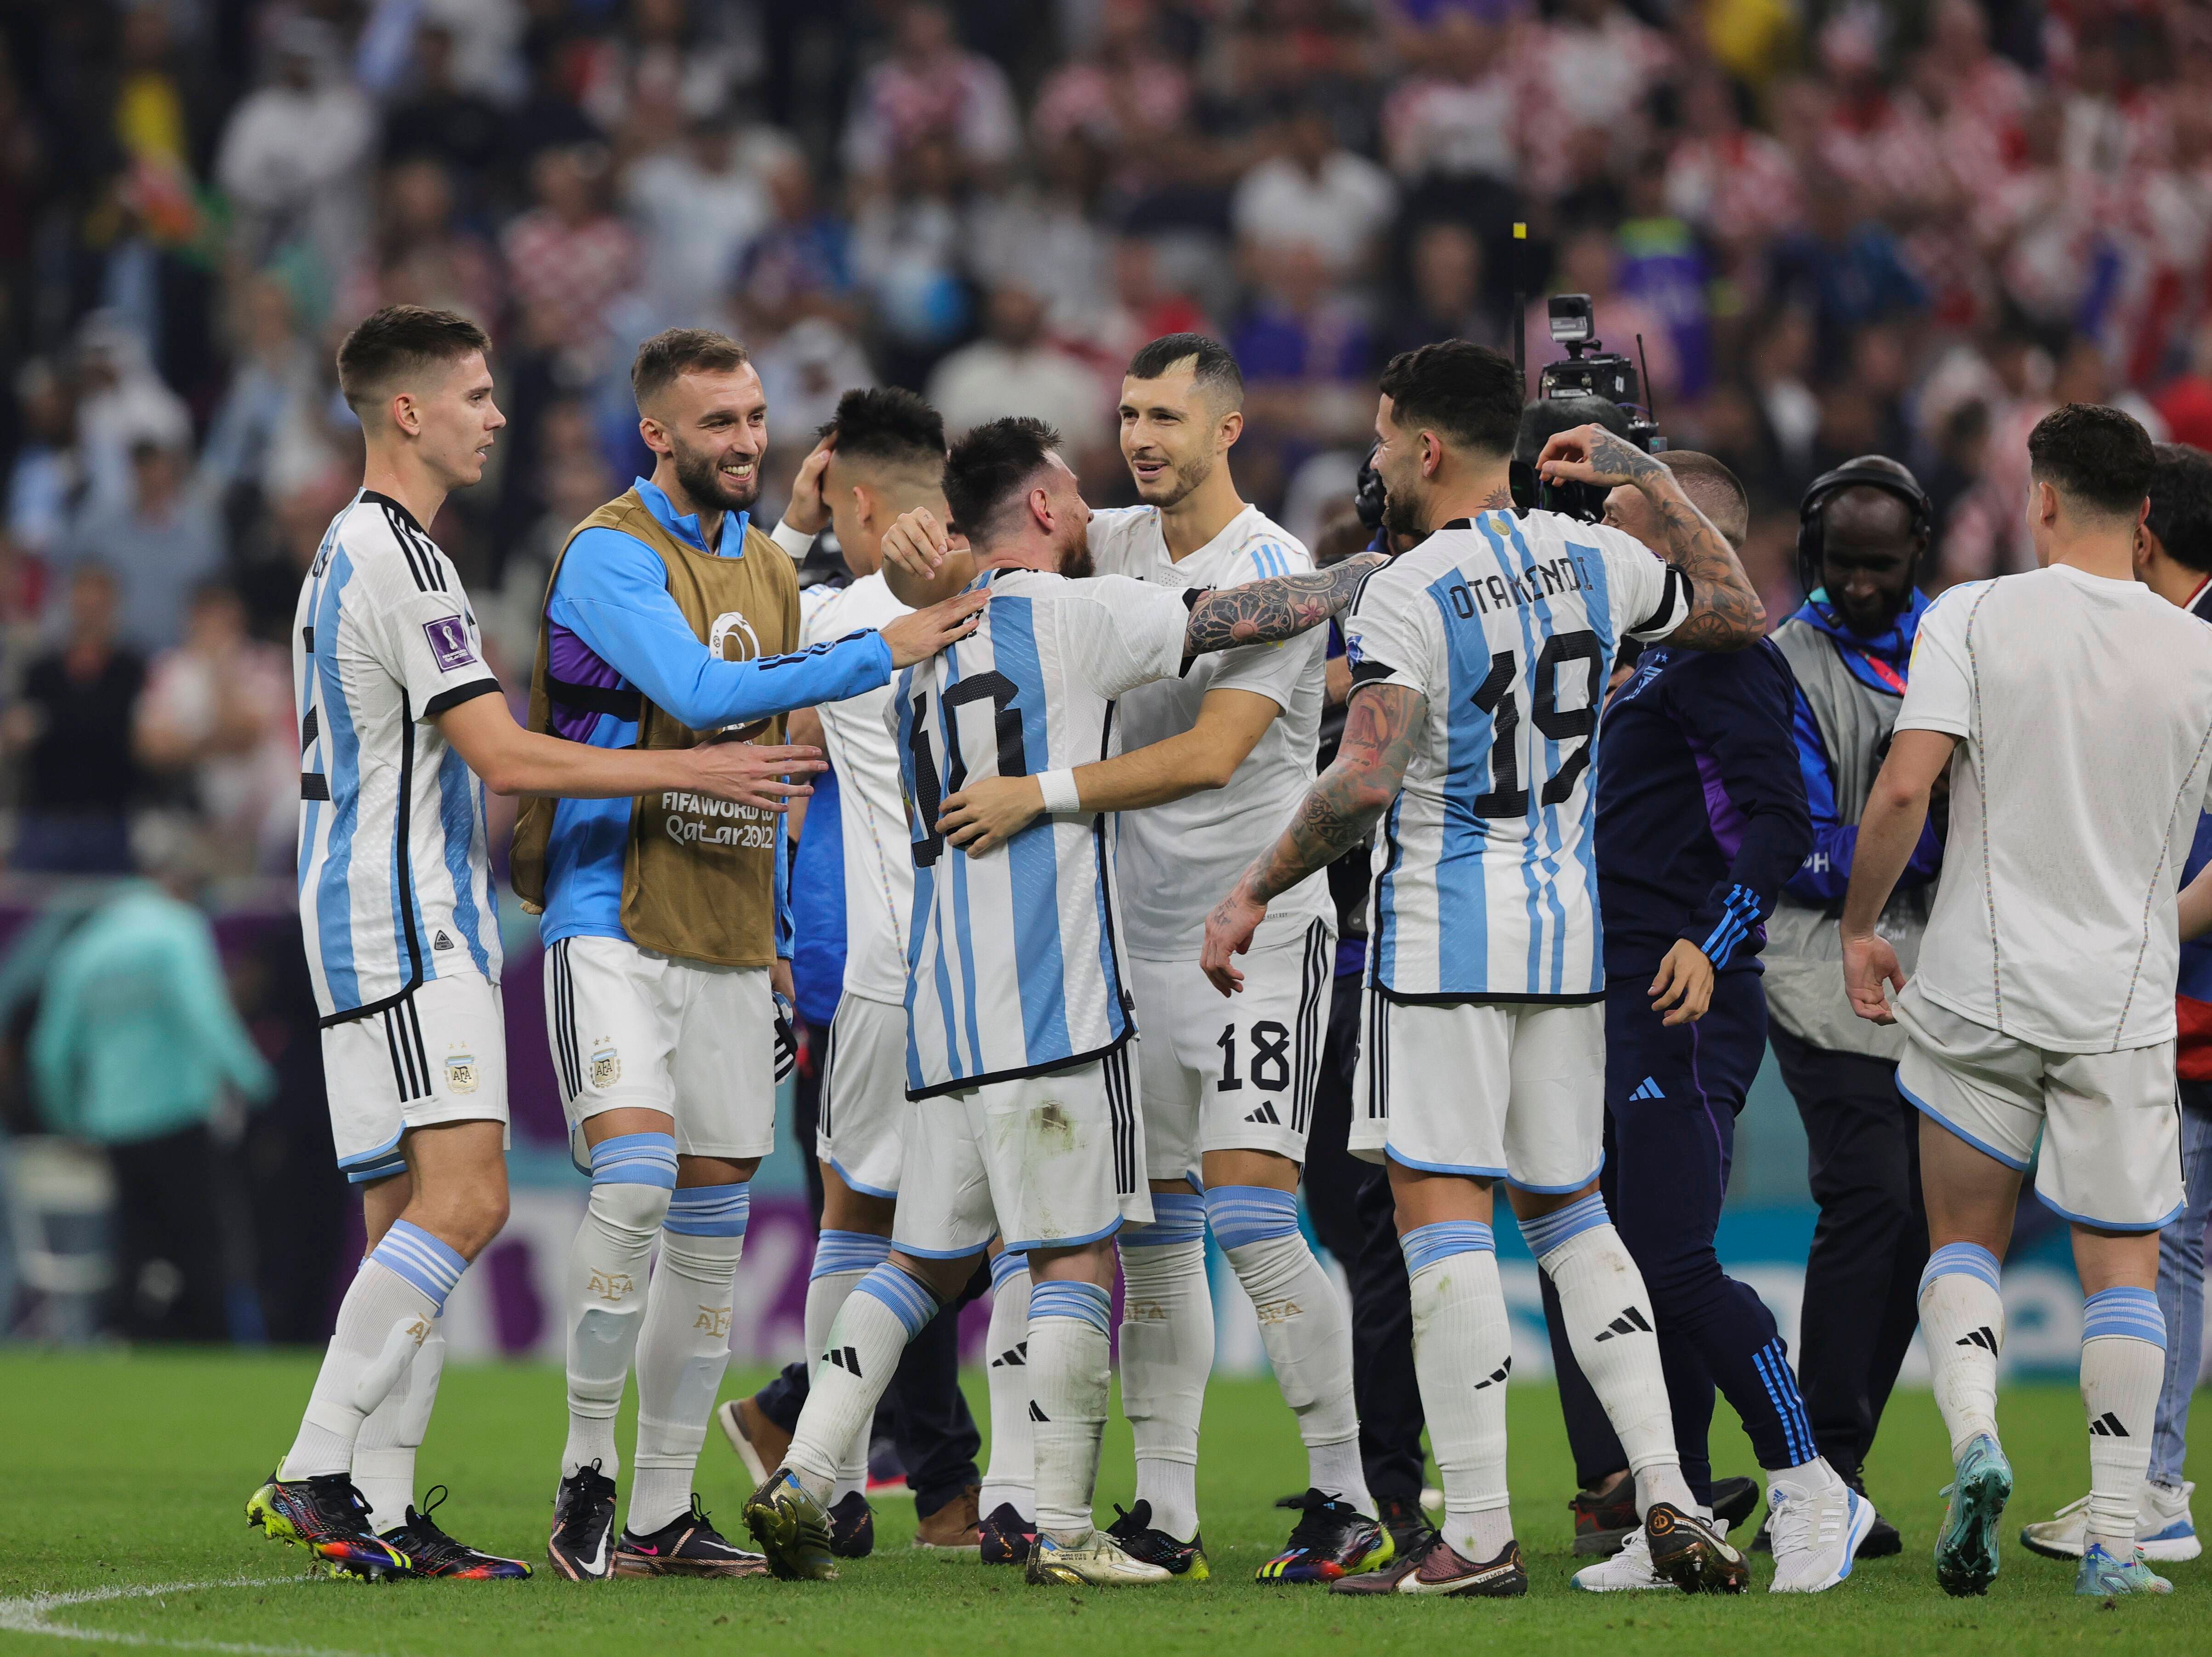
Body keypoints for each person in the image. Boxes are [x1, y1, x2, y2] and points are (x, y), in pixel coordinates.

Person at [740, 414, 1383, 1588]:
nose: (1090, 511)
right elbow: (1234, 617)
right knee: (1078, 1257)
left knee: (917, 1262)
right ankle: (1062, 1526)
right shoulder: (1069, 612)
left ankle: (808, 1474)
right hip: (1051, 999)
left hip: (938, 1006)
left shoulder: (907, 639)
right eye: (1073, 494)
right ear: (1038, 507)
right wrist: (1361, 571)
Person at [248, 304, 825, 1584]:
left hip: (375, 910)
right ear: (408, 411)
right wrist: (696, 769)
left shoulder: (382, 551)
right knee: (469, 1200)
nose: (495, 414)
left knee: (409, 1219)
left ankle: (382, 1511)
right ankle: (317, 1464)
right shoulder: (394, 555)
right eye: (474, 393)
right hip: (404, 910)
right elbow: (503, 754)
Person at [1202, 340, 1771, 1599]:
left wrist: (1250, 887)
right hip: (1566, 944)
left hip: (1439, 945)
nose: (1374, 454)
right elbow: (1735, 609)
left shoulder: (1411, 588)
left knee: (1439, 1218)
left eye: (1381, 430)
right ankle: (1670, 1492)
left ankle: (1475, 1533)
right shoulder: (1603, 557)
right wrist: (1644, 477)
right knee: (1572, 1215)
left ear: (1421, 444)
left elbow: (1361, 779)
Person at [511, 329, 985, 1583]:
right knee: (634, 1182)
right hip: (610, 907)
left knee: (716, 1223)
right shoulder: (610, 551)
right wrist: (889, 643)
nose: (743, 439)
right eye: (715, 421)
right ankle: (585, 1477)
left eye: (755, 415)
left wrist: (776, 936)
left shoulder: (770, 568)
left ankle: (666, 1506)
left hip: (727, 929)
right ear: (656, 434)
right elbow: (701, 692)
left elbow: (775, 767)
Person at [914, 334, 1383, 1583]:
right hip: (1128, 939)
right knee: (1159, 1233)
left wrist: (1039, 794)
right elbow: (994, 560)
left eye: (1167, 416)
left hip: (1256, 929)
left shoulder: (1272, 567)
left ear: (1227, 429)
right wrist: (920, 546)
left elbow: (1215, 752)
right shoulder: (1108, 544)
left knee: (1248, 1210)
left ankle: (1346, 1491)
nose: (1139, 437)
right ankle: (1165, 1513)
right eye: (1127, 414)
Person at [1840, 403, 2212, 1600]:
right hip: (2120, 997)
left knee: (1963, 1242)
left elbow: (1904, 789)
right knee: (2122, 1271)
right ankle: (2114, 1534)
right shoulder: (2196, 655)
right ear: (2143, 514)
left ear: (2039, 499)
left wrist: (1859, 926)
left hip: (1974, 988)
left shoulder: (1971, 615)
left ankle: (1973, 1447)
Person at [1552, 453, 1869, 1594]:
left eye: (1626, 515)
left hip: (1683, 987)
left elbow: (1782, 819)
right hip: (1626, 981)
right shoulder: (1653, 668)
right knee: (1639, 1262)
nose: (1605, 530)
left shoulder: (1724, 658)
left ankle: (1810, 1477)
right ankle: (1673, 1505)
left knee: (1675, 1260)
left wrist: (1714, 936)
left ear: (1689, 534)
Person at [718, 387, 996, 1560]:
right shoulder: (1014, 604)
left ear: (857, 500)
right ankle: (925, 1478)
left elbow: (720, 671)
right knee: (1003, 1225)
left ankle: (806, 1436)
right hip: (1004, 968)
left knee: (866, 1216)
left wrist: (787, 527)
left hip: (882, 970)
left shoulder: (829, 615)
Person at [2017, 440, 2212, 1566]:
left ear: (2140, 530)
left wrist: (2138, 931)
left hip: (2185, 1000)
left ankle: (2149, 1487)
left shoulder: (2188, 651)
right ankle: (2151, 1484)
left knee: (2171, 1241)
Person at [1759, 456, 1940, 1556]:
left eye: (1878, 565)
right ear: (1809, 550)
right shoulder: (1781, 663)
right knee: (1869, 1191)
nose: (1859, 584)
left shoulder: (1957, 645)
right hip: (1815, 961)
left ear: (1916, 549)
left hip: (1941, 968)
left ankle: (1842, 1465)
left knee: (1924, 1225)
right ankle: (1817, 1460)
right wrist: (1917, 846)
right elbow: (1793, 840)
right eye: (1839, 564)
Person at [30, 874, 276, 1341]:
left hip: (112, 1122)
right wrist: (258, 1084)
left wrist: (70, 1121)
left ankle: (132, 1340)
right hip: (178, 1114)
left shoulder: (84, 949)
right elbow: (207, 1016)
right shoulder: (177, 930)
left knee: (136, 1244)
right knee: (204, 1241)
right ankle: (212, 1344)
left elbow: (50, 1052)